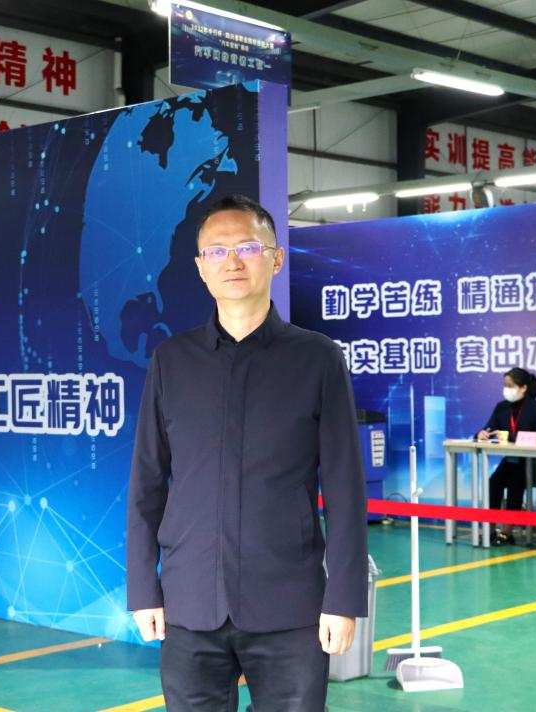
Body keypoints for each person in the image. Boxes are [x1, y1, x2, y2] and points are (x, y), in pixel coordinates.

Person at [126, 195, 368, 712]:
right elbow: (147, 483)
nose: (232, 261)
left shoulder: (318, 358)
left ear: (275, 259)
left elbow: (345, 490)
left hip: (290, 605)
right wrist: (144, 589)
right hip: (190, 602)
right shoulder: (172, 361)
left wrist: (343, 599)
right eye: (216, 251)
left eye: (248, 247)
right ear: (200, 268)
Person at [476, 367, 536, 546]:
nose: (506, 390)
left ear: (523, 388)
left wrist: (510, 436)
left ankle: (507, 532)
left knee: (515, 481)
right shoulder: (501, 407)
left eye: (510, 386)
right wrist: (482, 433)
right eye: (505, 385)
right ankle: (490, 529)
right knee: (494, 481)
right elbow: (489, 428)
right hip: (513, 460)